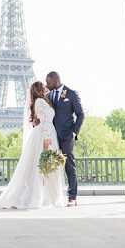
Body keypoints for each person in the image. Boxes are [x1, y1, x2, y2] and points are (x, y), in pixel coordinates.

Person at [0, 81, 66, 209]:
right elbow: (45, 122)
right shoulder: (40, 102)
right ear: (39, 90)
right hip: (45, 134)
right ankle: (40, 197)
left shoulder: (42, 101)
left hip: (44, 133)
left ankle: (43, 196)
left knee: (44, 167)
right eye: (43, 86)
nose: (46, 87)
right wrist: (47, 139)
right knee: (43, 166)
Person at [33, 71, 84, 207]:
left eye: (48, 82)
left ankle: (72, 197)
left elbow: (80, 114)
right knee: (49, 166)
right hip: (51, 137)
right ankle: (50, 195)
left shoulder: (71, 94)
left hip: (67, 136)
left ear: (56, 80)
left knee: (69, 165)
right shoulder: (47, 96)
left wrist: (74, 132)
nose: (46, 85)